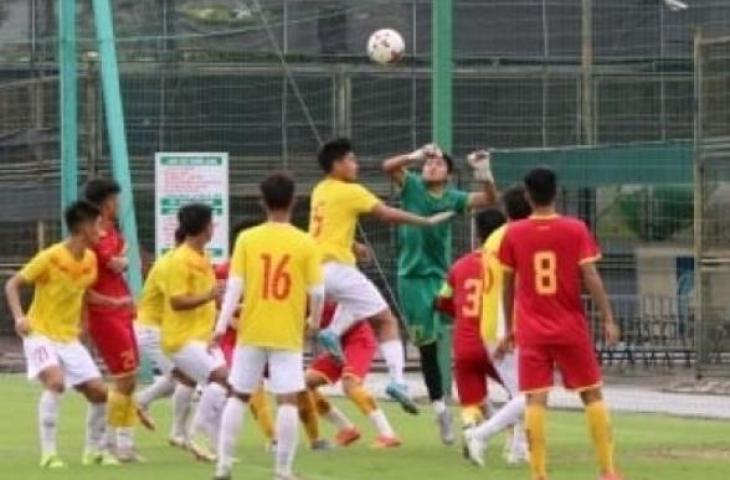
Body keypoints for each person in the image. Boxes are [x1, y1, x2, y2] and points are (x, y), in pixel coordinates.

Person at [310, 138, 455, 415]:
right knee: (387, 321)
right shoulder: (351, 191)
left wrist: (353, 245)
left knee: (357, 303)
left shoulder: (320, 190)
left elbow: (324, 230)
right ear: (337, 164)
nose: (356, 164)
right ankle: (398, 382)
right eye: (351, 159)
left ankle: (333, 331)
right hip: (337, 269)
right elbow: (387, 214)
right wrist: (424, 220)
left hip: (318, 270)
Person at [495, 167, 622, 480]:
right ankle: (607, 471)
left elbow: (507, 284)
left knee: (535, 398)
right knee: (592, 394)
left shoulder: (513, 233)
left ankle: (539, 474)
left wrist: (509, 326)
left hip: (532, 329)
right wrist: (608, 317)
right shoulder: (575, 229)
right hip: (570, 327)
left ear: (527, 196)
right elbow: (590, 276)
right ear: (556, 193)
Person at [213, 173, 325, 480]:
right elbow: (318, 291)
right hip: (286, 331)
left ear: (262, 202)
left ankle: (223, 466)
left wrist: (222, 326)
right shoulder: (305, 242)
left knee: (238, 395)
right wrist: (313, 321)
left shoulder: (247, 239)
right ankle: (283, 470)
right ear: (294, 201)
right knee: (287, 399)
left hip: (250, 330)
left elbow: (234, 287)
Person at [382, 146, 497, 443]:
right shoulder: (412, 186)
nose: (431, 166)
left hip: (442, 277)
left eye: (438, 163)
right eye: (428, 163)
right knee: (428, 348)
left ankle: (483, 403)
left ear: (448, 173)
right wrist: (415, 154)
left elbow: (489, 199)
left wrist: (483, 172)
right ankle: (441, 411)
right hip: (412, 279)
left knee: (469, 334)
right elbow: (388, 165)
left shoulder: (454, 199)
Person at [4, 201, 121, 468]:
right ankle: (49, 454)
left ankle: (93, 451)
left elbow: (81, 292)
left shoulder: (90, 259)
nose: (102, 233)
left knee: (99, 393)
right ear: (82, 228)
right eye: (97, 226)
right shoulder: (51, 256)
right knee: (55, 382)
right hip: (39, 333)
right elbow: (13, 284)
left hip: (69, 338)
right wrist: (19, 317)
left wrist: (103, 310)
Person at [463, 186, 534, 466]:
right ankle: (481, 434)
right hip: (508, 323)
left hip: (492, 321)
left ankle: (518, 450)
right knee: (531, 394)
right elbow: (515, 283)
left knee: (523, 393)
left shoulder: (495, 237)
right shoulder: (520, 236)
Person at [84, 179, 151, 461]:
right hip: (104, 313)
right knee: (123, 378)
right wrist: (120, 260)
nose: (118, 204)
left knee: (130, 377)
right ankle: (107, 441)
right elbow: (115, 263)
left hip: (123, 309)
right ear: (105, 202)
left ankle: (124, 442)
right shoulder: (92, 234)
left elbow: (124, 259)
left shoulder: (112, 231)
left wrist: (121, 260)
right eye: (115, 199)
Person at [160, 203, 227, 462]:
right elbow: (177, 300)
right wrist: (209, 295)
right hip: (181, 339)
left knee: (224, 387)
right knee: (220, 379)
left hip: (202, 337)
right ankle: (195, 434)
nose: (213, 228)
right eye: (211, 223)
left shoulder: (203, 258)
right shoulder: (180, 259)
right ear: (203, 227)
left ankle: (216, 446)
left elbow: (209, 298)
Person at [435, 209, 505, 433]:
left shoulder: (459, 265)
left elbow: (442, 301)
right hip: (496, 342)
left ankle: (471, 428)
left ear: (478, 234)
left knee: (471, 401)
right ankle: (518, 443)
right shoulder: (506, 265)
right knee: (524, 393)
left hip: (465, 343)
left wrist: (463, 315)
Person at [300, 302, 401, 450]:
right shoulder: (301, 301)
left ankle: (388, 435)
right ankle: (347, 429)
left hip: (359, 339)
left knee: (350, 385)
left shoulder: (323, 289)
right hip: (336, 345)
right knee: (303, 384)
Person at [133, 228, 196, 448]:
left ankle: (140, 402)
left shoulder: (183, 264)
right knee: (187, 377)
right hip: (151, 330)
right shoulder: (168, 265)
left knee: (173, 382)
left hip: (162, 330)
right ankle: (178, 433)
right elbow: (176, 302)